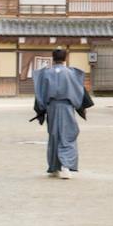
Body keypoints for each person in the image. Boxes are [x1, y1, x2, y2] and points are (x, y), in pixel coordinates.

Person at [33, 48, 94, 179]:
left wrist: (41, 110)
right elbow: (79, 92)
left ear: (53, 58)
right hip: (67, 106)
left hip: (52, 108)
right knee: (68, 135)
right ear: (65, 58)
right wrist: (82, 108)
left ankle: (55, 167)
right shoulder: (72, 73)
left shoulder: (45, 73)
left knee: (54, 135)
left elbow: (40, 94)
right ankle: (65, 167)